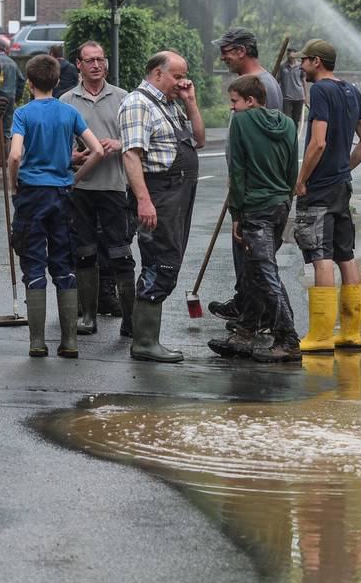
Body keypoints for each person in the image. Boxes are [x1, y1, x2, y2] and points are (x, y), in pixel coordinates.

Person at [8, 54, 104, 358]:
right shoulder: (69, 112)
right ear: (56, 81)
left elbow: (13, 156)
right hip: (62, 194)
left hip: (32, 194)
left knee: (33, 261)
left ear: (30, 82)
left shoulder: (22, 113)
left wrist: (13, 182)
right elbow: (98, 149)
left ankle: (37, 342)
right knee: (63, 262)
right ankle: (70, 342)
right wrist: (74, 178)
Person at [119, 51, 205, 362]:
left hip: (179, 194)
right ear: (157, 73)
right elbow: (131, 156)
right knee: (161, 263)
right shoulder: (138, 104)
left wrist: (190, 102)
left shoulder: (170, 104)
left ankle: (147, 339)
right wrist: (144, 200)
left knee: (171, 260)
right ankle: (143, 342)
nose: (183, 82)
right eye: (178, 76)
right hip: (160, 194)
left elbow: (199, 139)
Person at [207, 75, 300, 363]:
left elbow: (238, 170)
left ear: (250, 100)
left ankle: (288, 338)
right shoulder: (287, 123)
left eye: (235, 101)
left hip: (256, 208)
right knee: (252, 271)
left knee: (265, 272)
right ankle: (245, 333)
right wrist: (286, 200)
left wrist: (236, 214)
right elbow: (291, 169)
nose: (232, 108)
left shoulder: (241, 123)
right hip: (280, 205)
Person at [294, 39, 361, 354]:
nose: (301, 66)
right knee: (346, 254)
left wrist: (302, 180)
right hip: (342, 185)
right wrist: (345, 167)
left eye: (304, 61)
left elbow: (318, 143)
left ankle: (321, 334)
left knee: (320, 255)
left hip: (320, 188)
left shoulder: (320, 91)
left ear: (316, 61)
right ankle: (351, 332)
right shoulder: (352, 90)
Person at [209, 26, 284, 324]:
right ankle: (245, 302)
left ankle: (258, 317)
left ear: (241, 50)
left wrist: (243, 181)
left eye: (226, 51)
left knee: (252, 251)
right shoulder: (255, 83)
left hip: (254, 187)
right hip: (248, 183)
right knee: (245, 250)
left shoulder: (262, 86)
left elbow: (265, 141)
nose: (223, 57)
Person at [59, 42, 133, 338]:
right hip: (80, 188)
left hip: (114, 185)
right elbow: (59, 145)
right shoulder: (66, 101)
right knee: (84, 252)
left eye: (100, 59)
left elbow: (138, 140)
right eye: (89, 60)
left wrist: (119, 143)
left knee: (120, 251)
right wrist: (71, 157)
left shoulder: (123, 98)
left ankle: (130, 319)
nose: (96, 65)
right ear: (78, 64)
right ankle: (88, 315)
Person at [278, 47, 306, 126]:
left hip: (299, 97)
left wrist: (306, 97)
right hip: (287, 98)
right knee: (287, 120)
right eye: (288, 53)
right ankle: (288, 137)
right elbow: (277, 80)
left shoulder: (300, 65)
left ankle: (294, 137)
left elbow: (304, 81)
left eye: (291, 53)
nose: (289, 55)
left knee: (296, 121)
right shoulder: (282, 66)